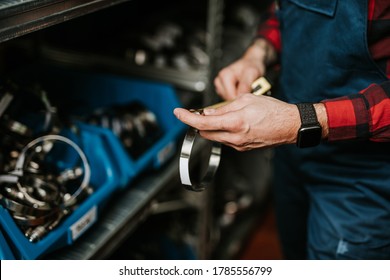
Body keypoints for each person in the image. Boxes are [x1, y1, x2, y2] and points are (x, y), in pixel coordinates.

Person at [174, 0, 390, 259]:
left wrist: (300, 121)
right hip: (291, 154)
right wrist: (258, 52)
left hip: (364, 173)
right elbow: (284, 8)